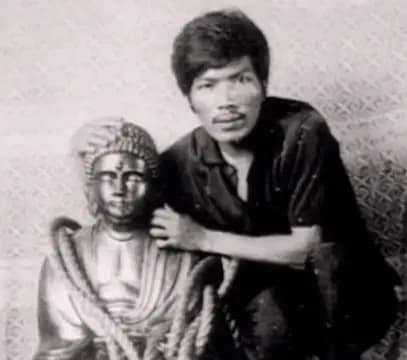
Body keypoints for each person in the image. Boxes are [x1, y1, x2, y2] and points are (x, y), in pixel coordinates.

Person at [73, 9, 399, 360]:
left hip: (345, 296)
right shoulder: (181, 161)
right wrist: (79, 150)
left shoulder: (302, 129)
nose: (225, 101)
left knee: (327, 263)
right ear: (190, 99)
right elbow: (118, 209)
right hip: (266, 307)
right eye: (207, 85)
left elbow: (305, 248)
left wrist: (202, 237)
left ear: (262, 86)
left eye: (240, 80)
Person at [34, 120, 245, 360]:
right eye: (107, 176)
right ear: (90, 187)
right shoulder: (66, 259)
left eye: (133, 177)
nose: (120, 189)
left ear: (155, 187)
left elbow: (210, 345)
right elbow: (56, 351)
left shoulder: (186, 255)